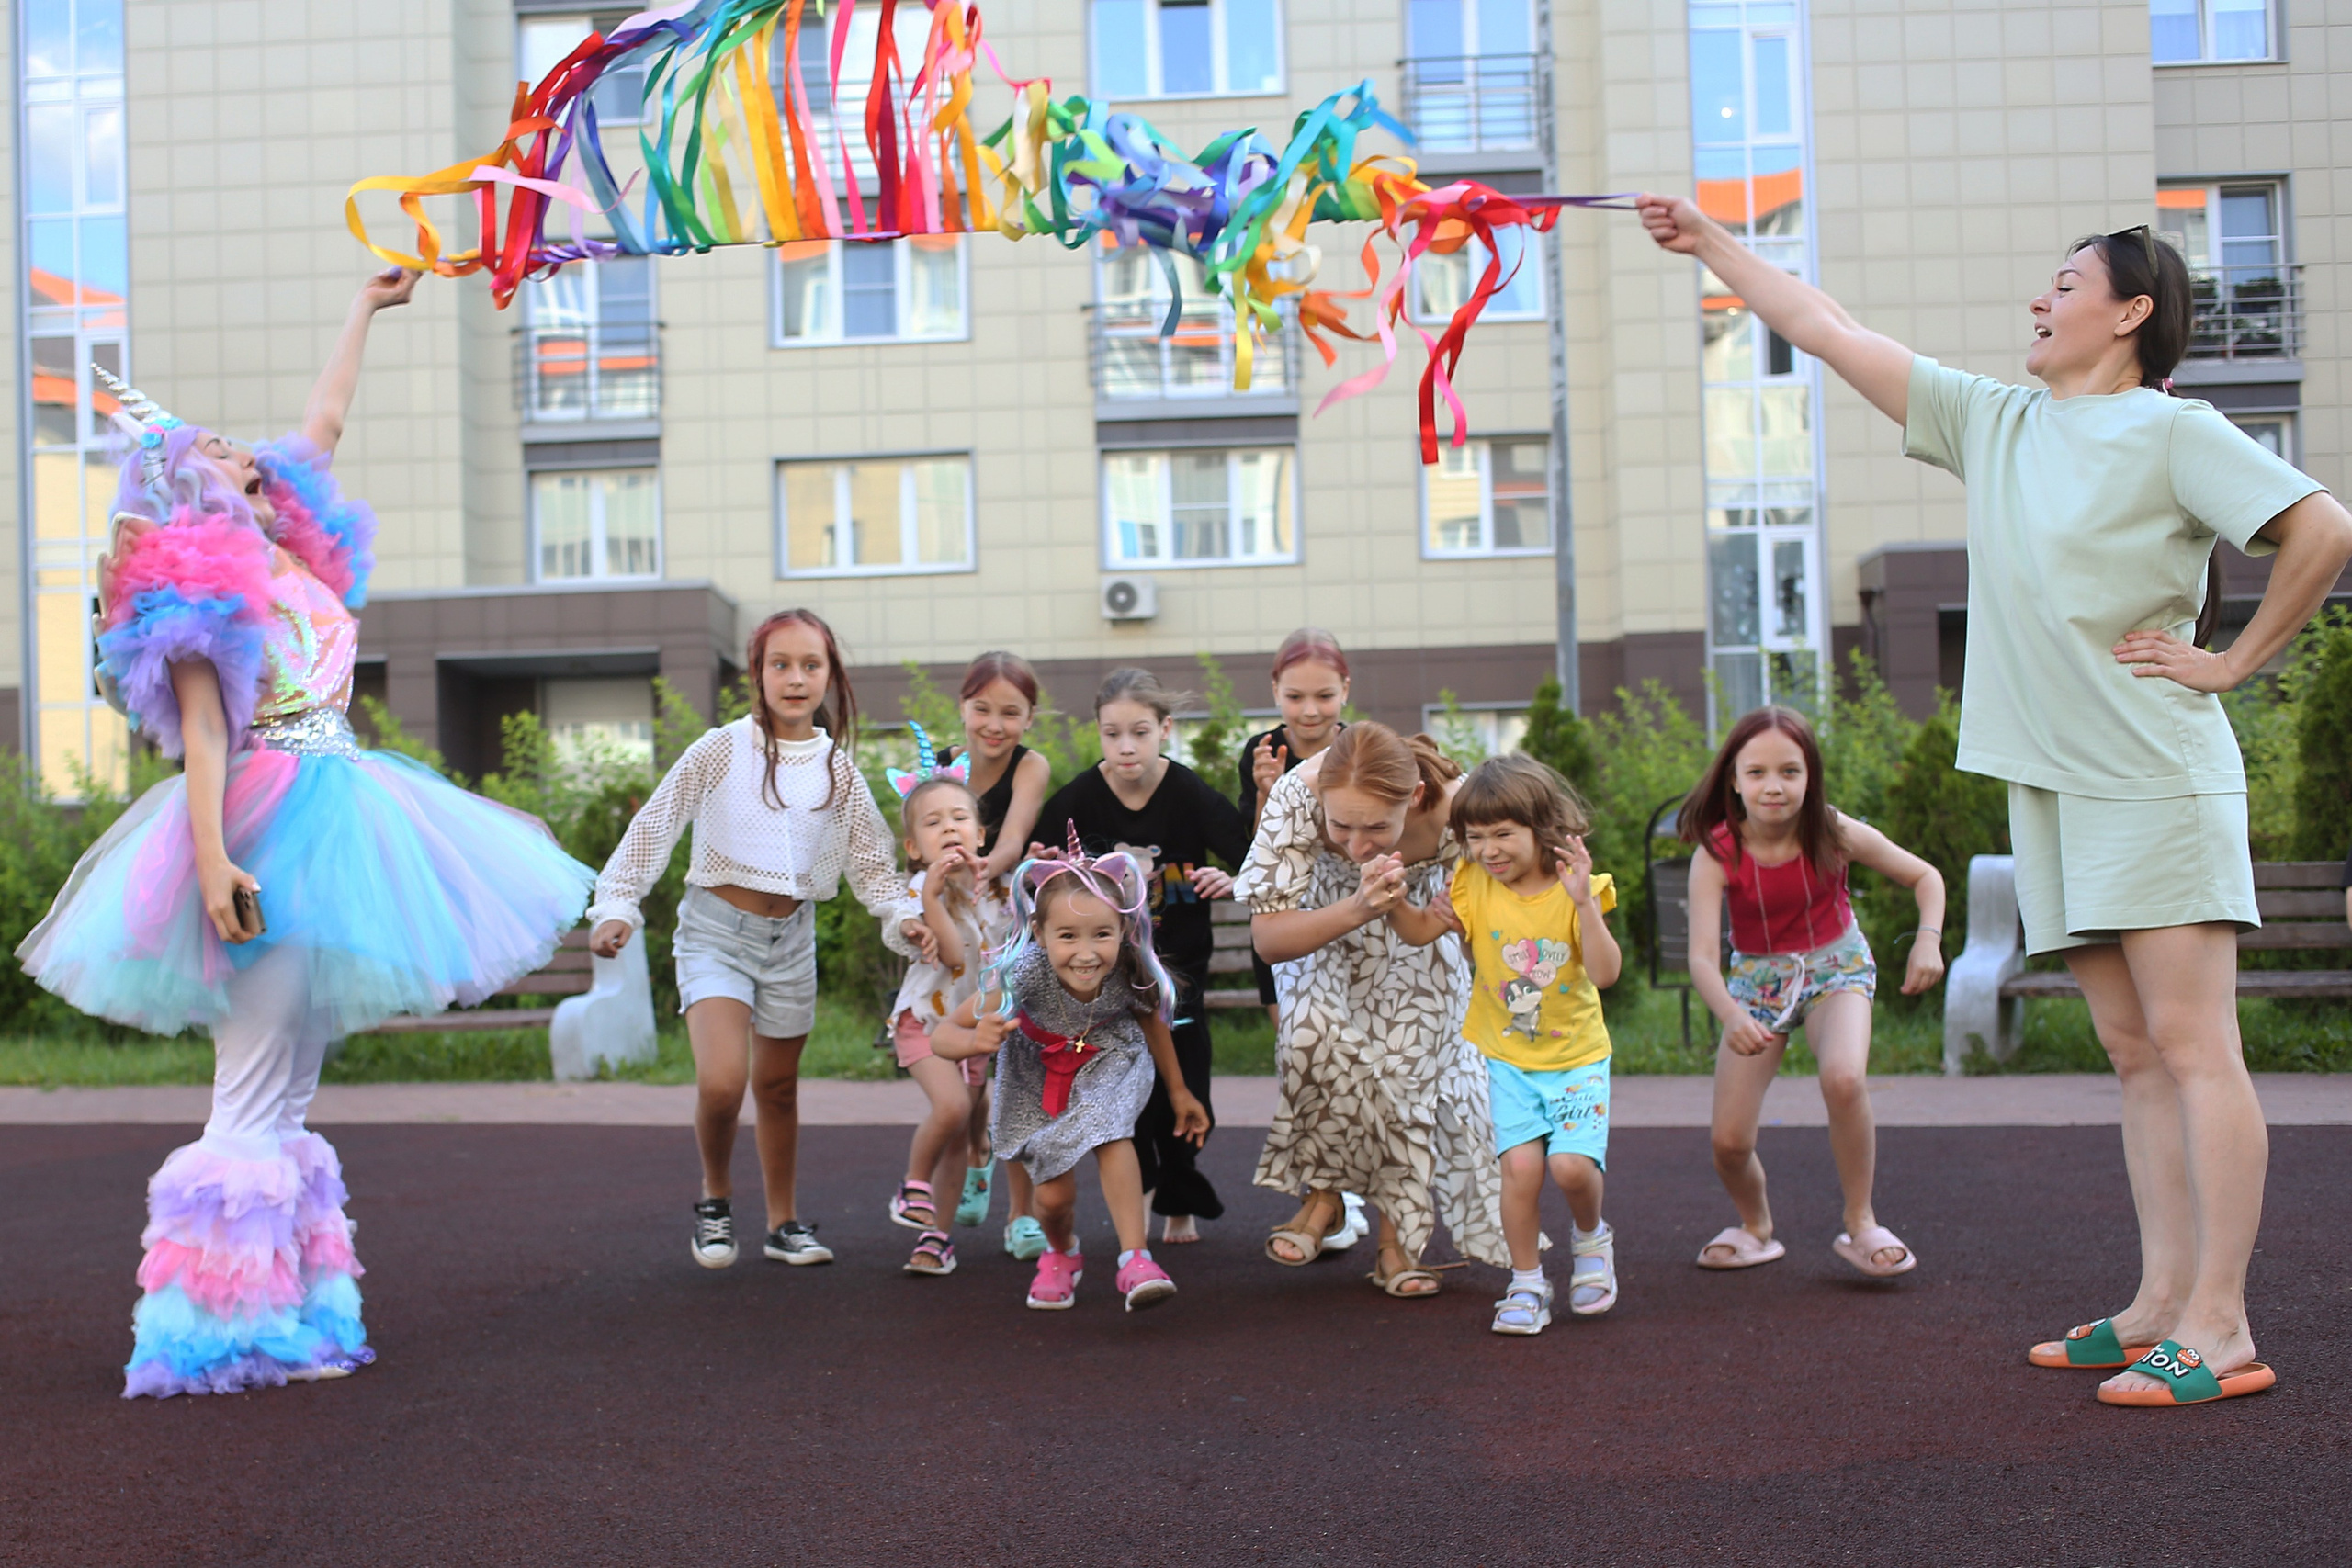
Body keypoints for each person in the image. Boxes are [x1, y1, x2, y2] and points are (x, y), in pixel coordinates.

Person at [1640, 194, 2352, 1405]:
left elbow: (2322, 527)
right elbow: (1822, 322)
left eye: (2065, 283)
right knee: (2132, 1053)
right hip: (2056, 781)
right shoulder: (1998, 421)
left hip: (2155, 770)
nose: (2041, 298)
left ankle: (2223, 1326)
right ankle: (2157, 1302)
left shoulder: (2173, 432)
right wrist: (1710, 245)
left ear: (2129, 313)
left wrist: (2235, 664)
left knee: (2193, 1045)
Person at [18, 269, 599, 1397]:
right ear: (196, 484)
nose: (259, 454)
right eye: (231, 450)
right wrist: (213, 857)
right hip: (266, 821)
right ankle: (201, 1335)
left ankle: (287, 1316)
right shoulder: (202, 588)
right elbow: (200, 734)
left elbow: (322, 426)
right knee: (250, 1085)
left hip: (342, 801)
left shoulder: (296, 561)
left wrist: (362, 308)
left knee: (286, 1091)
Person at [587, 610, 903, 1272]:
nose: (795, 678)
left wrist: (902, 918)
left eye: (810, 665)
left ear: (829, 675)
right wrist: (617, 903)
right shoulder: (721, 748)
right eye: (779, 664)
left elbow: (872, 860)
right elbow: (657, 821)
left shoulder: (837, 770)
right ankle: (715, 1197)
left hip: (792, 938)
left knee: (779, 1086)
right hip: (715, 933)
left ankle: (783, 1221)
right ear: (756, 673)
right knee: (725, 1082)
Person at [1238, 722, 1510, 1295]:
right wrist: (1357, 907)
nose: (1358, 846)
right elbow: (1268, 939)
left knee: (1407, 1069)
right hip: (1321, 927)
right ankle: (1326, 1193)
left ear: (1411, 800)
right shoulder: (1295, 793)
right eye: (1341, 825)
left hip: (1415, 930)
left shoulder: (1458, 809)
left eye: (1377, 828)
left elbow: (1490, 913)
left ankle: (1396, 1245)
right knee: (1312, 1036)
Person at [1678, 707, 1945, 1279]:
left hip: (1835, 968)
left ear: (1810, 775)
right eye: (1757, 773)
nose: (1773, 786)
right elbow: (1700, 956)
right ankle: (1755, 1227)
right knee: (1728, 1142)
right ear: (1733, 778)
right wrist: (1730, 1014)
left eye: (1790, 771)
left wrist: (1928, 940)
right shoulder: (1717, 852)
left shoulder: (1833, 831)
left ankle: (1861, 1222)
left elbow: (1927, 877)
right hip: (1755, 984)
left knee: (1843, 1078)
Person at [932, 847, 1210, 1312]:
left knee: (1110, 1128)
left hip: (1109, 1056)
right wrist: (975, 1040)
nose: (1086, 953)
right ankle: (1062, 1254)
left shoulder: (1128, 966)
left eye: (1102, 933)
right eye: (1067, 936)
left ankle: (1135, 1258)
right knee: (1054, 1200)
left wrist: (1180, 1091)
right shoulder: (1021, 977)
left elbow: (1150, 1021)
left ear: (1123, 928)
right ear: (1039, 934)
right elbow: (943, 1036)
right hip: (1035, 1071)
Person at [1033, 668, 1250, 1247]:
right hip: (1110, 983)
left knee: (1188, 1087)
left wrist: (1225, 877)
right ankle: (1144, 1195)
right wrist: (1043, 861)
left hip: (1181, 976)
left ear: (1165, 729)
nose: (1126, 746)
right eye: (1112, 734)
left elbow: (1250, 856)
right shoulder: (1078, 798)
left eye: (1140, 732)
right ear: (1098, 734)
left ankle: (1181, 1198)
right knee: (1133, 1092)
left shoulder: (1189, 792)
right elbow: (1035, 867)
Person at [1441, 756, 1623, 1336]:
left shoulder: (1578, 888)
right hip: (1509, 1059)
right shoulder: (1472, 882)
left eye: (1502, 834)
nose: (1489, 849)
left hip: (1575, 1058)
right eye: (1475, 837)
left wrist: (1584, 905)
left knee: (1570, 1168)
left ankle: (1592, 1238)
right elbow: (1425, 931)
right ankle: (1526, 1282)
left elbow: (1605, 973)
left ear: (1541, 828)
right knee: (1520, 1169)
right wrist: (1394, 902)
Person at [876, 728, 1010, 1278]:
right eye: (932, 824)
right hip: (926, 1024)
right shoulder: (915, 893)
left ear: (980, 834)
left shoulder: (1000, 893)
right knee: (952, 1109)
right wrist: (930, 898)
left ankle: (936, 1238)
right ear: (914, 848)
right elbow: (954, 956)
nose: (948, 828)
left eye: (959, 818)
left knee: (963, 1132)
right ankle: (911, 1187)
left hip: (973, 1029)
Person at [936, 650, 1055, 1249]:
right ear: (962, 707)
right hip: (957, 931)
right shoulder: (942, 767)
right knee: (969, 1080)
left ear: (1029, 717)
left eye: (1010, 712)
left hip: (1011, 926)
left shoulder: (1031, 765)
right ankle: (976, 1148)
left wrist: (992, 863)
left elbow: (1013, 834)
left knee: (1017, 1069)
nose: (994, 723)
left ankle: (1020, 1215)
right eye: (982, 708)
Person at [1237, 630, 1352, 1021]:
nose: (1310, 711)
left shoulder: (1361, 747)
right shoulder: (1263, 749)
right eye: (1295, 697)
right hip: (1283, 909)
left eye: (1324, 696)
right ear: (1275, 691)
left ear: (1345, 690)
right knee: (1295, 1042)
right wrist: (1268, 793)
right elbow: (1256, 847)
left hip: (1347, 905)